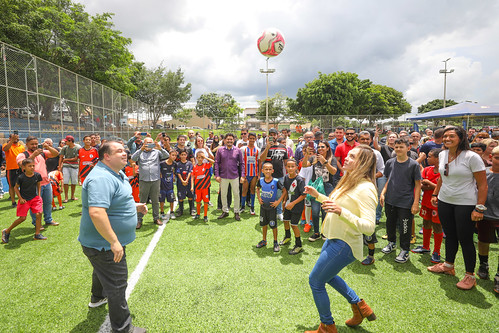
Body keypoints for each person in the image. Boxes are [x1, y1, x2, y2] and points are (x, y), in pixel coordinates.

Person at [304, 145, 378, 333]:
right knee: (327, 276)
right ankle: (360, 307)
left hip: (344, 243)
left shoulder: (366, 188)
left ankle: (327, 326)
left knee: (316, 281)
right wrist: (318, 196)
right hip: (334, 237)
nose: (345, 158)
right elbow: (335, 204)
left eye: (352, 156)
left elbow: (369, 227)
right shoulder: (349, 180)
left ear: (363, 163)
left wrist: (341, 212)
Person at [78, 141, 147, 333]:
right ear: (106, 156)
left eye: (124, 151)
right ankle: (123, 329)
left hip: (102, 244)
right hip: (104, 244)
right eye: (119, 152)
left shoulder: (115, 172)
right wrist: (114, 241)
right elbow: (97, 212)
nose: (125, 154)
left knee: (101, 269)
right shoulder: (101, 178)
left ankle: (97, 297)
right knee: (117, 285)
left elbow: (115, 201)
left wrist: (135, 206)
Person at [428, 126, 488, 290]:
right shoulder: (442, 154)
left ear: (461, 138)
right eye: (445, 136)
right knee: (450, 235)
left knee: (466, 239)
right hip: (445, 201)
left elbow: (483, 185)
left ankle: (470, 275)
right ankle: (448, 265)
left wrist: (479, 208)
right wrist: (435, 193)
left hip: (466, 203)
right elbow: (442, 176)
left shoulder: (472, 157)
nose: (447, 139)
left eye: (451, 136)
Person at [380, 138, 421, 263]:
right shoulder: (390, 162)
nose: (398, 149)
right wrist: (383, 193)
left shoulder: (414, 164)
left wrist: (415, 203)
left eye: (401, 147)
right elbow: (388, 179)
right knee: (390, 224)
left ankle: (405, 250)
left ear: (408, 148)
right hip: (390, 200)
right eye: (396, 147)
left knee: (404, 227)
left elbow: (418, 185)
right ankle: (391, 243)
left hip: (405, 202)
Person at [17, 136, 60, 228]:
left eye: (36, 144)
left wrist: (48, 147)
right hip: (32, 185)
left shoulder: (42, 153)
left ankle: (48, 219)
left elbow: (56, 154)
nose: (34, 146)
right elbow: (22, 165)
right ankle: (37, 223)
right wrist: (33, 155)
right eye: (32, 144)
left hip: (46, 182)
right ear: (27, 144)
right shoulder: (22, 155)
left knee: (48, 202)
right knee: (35, 206)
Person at [411, 148, 444, 264]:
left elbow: (442, 188)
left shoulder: (444, 171)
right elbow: (420, 185)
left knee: (437, 226)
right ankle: (425, 246)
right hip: (426, 201)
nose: (428, 158)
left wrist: (429, 183)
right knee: (426, 222)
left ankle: (437, 251)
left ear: (438, 158)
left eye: (430, 156)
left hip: (437, 203)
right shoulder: (427, 170)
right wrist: (433, 186)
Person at [2, 158, 46, 243]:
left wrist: (39, 196)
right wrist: (20, 198)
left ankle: (37, 234)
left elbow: (38, 185)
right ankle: (7, 231)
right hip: (24, 200)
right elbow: (15, 188)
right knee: (22, 218)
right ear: (24, 167)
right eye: (30, 166)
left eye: (33, 165)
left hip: (35, 198)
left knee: (39, 214)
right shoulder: (21, 177)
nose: (32, 167)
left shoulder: (37, 175)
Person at [302, 141, 337, 241]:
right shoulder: (314, 158)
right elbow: (304, 165)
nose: (320, 149)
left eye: (323, 147)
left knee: (325, 210)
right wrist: (306, 155)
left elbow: (333, 172)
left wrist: (325, 162)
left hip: (327, 187)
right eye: (319, 147)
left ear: (327, 148)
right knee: (316, 211)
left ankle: (324, 232)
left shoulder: (331, 159)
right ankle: (316, 232)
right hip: (316, 187)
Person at [131, 136, 168, 228]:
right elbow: (133, 158)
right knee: (142, 201)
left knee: (155, 200)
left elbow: (167, 155)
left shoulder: (157, 152)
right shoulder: (140, 152)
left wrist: (161, 148)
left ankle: (156, 218)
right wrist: (141, 149)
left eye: (151, 143)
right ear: (144, 144)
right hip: (144, 180)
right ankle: (139, 220)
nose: (149, 145)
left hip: (155, 180)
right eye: (147, 143)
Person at [477, 146, 499, 293]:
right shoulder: (483, 173)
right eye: (497, 157)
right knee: (483, 240)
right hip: (485, 214)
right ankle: (483, 264)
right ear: (491, 157)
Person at [214, 133, 245, 221]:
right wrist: (217, 175)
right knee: (223, 194)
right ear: (224, 140)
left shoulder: (238, 150)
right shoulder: (220, 150)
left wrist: (242, 176)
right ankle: (225, 211)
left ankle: (236, 212)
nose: (229, 141)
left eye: (231, 139)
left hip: (235, 176)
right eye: (227, 139)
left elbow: (242, 164)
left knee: (236, 194)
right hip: (223, 176)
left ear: (233, 140)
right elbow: (216, 163)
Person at [260, 128, 288, 219]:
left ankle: (279, 212)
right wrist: (268, 147)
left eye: (274, 134)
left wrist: (289, 173)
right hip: (268, 176)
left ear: (277, 135)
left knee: (279, 195)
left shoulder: (283, 147)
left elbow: (286, 162)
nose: (272, 136)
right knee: (268, 194)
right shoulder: (265, 146)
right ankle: (268, 212)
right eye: (270, 134)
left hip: (279, 175)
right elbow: (262, 159)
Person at [280, 159, 307, 255]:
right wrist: (284, 202)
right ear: (286, 167)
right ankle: (287, 237)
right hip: (288, 204)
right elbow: (286, 191)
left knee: (294, 225)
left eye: (292, 166)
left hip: (297, 207)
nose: (290, 168)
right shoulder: (286, 177)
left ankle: (299, 245)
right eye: (288, 166)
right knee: (285, 220)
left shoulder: (299, 180)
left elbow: (303, 195)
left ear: (296, 167)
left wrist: (293, 203)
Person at [256, 162, 283, 252]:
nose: (268, 171)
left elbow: (285, 191)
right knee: (264, 224)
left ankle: (275, 242)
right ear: (262, 170)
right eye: (266, 169)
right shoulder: (260, 180)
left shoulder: (276, 181)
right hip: (263, 207)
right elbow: (257, 188)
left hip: (272, 208)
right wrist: (259, 198)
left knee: (273, 225)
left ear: (273, 171)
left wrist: (278, 201)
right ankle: (264, 240)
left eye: (269, 169)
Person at [191, 151, 214, 223]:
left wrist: (205, 157)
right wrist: (192, 186)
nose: (200, 159)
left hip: (205, 188)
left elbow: (213, 161)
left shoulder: (206, 165)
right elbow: (192, 177)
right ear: (196, 158)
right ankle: (198, 214)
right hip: (197, 188)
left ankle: (205, 215)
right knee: (198, 201)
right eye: (199, 157)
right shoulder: (195, 167)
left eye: (201, 157)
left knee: (206, 202)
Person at [3, 132, 25, 207]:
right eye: (14, 137)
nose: (16, 138)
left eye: (17, 137)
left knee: (23, 184)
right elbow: (5, 149)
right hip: (11, 169)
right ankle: (13, 202)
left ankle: (23, 199)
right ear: (10, 138)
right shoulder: (7, 145)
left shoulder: (21, 147)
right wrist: (11, 141)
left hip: (21, 168)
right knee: (11, 186)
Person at [240, 132, 260, 215]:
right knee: (244, 190)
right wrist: (242, 174)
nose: (252, 140)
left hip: (254, 174)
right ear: (248, 139)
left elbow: (259, 162)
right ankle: (242, 207)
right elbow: (241, 162)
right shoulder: (243, 149)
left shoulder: (257, 149)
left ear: (255, 139)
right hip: (246, 174)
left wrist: (259, 174)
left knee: (252, 190)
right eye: (250, 138)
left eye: (253, 138)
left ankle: (252, 207)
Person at [58, 135, 79, 202]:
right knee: (66, 182)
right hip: (66, 166)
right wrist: (59, 166)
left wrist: (66, 159)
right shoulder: (64, 148)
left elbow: (76, 158)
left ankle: (72, 196)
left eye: (66, 141)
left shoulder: (78, 147)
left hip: (75, 166)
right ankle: (66, 197)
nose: (65, 142)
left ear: (70, 141)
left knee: (74, 182)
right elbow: (61, 157)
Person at [175, 149, 194, 217]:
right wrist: (182, 181)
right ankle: (181, 211)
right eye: (182, 155)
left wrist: (186, 180)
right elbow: (178, 173)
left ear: (187, 155)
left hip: (188, 183)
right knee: (180, 197)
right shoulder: (177, 164)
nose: (183, 156)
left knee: (190, 196)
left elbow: (190, 172)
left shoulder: (189, 163)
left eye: (185, 155)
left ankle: (191, 210)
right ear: (179, 155)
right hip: (180, 183)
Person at [159, 150, 177, 220]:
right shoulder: (162, 163)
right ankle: (162, 213)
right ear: (169, 155)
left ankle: (172, 212)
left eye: (175, 155)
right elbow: (158, 171)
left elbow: (174, 171)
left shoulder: (174, 164)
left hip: (170, 185)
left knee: (171, 199)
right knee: (162, 200)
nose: (174, 157)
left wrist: (174, 176)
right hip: (162, 185)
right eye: (173, 155)